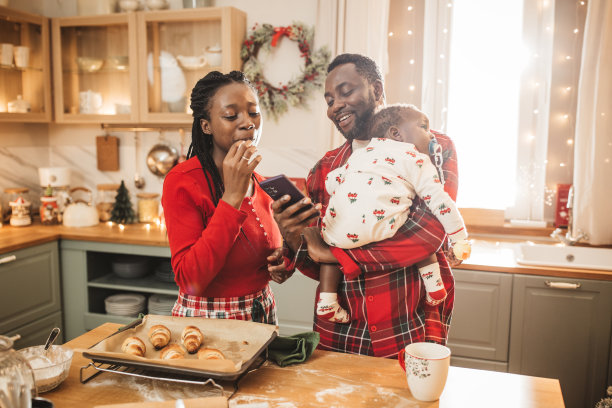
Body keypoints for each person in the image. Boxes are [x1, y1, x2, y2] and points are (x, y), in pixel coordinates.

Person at [271, 53, 460, 358]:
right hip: (340, 332)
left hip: (408, 326)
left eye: (346, 92)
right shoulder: (325, 169)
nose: (335, 106)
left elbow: (427, 234)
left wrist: (333, 252)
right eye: (329, 100)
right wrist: (293, 236)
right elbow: (318, 264)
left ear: (377, 89)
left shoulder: (429, 145)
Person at [315, 103, 471, 324]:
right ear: (396, 134)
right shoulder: (415, 158)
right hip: (382, 227)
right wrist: (459, 238)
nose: (431, 135)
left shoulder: (360, 154)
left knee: (332, 243)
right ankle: (434, 285)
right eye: (424, 127)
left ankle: (327, 302)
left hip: (338, 231)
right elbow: (440, 202)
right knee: (413, 220)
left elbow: (332, 181)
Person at [162, 71, 292, 324]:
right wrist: (232, 196)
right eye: (231, 115)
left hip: (262, 313)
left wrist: (284, 260)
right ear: (206, 125)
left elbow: (263, 255)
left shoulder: (263, 184)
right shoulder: (182, 181)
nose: (248, 123)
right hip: (207, 321)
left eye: (253, 113)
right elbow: (191, 280)